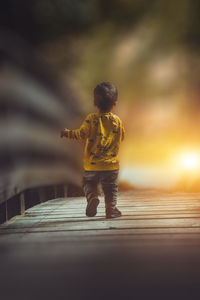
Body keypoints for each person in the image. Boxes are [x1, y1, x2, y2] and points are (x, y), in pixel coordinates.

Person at [60, 82, 125, 218]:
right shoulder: (117, 121)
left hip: (92, 165)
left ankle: (92, 198)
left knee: (88, 184)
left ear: (95, 102)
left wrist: (67, 133)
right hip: (110, 165)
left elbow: (81, 134)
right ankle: (110, 209)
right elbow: (122, 136)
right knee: (110, 189)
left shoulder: (91, 119)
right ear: (115, 104)